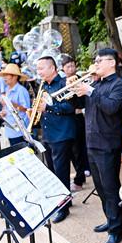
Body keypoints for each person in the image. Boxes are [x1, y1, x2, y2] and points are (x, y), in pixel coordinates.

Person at [73, 48, 122, 243]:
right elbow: (79, 106)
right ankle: (110, 218)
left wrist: (90, 91)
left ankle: (116, 230)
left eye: (98, 61)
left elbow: (111, 108)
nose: (95, 64)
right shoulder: (95, 84)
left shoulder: (119, 85)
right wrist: (76, 92)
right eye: (94, 61)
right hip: (91, 141)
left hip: (108, 144)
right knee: (100, 187)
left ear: (111, 63)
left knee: (111, 188)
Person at [36, 55, 76, 223]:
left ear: (52, 68)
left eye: (41, 69)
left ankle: (63, 207)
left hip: (61, 134)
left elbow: (70, 107)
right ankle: (64, 199)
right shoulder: (44, 85)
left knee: (61, 172)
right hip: (48, 133)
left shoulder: (63, 83)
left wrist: (49, 107)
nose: (39, 72)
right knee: (52, 171)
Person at [60, 54, 90, 192]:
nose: (71, 68)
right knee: (72, 150)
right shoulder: (62, 82)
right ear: (63, 69)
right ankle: (80, 174)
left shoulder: (79, 79)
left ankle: (80, 177)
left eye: (72, 65)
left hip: (78, 118)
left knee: (79, 149)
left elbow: (81, 101)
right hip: (68, 119)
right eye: (68, 66)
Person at [0, 64, 30, 146]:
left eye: (6, 75)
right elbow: (6, 107)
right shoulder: (7, 89)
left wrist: (11, 104)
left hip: (20, 130)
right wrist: (3, 112)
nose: (4, 78)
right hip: (10, 128)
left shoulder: (21, 90)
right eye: (4, 75)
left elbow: (27, 110)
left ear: (15, 77)